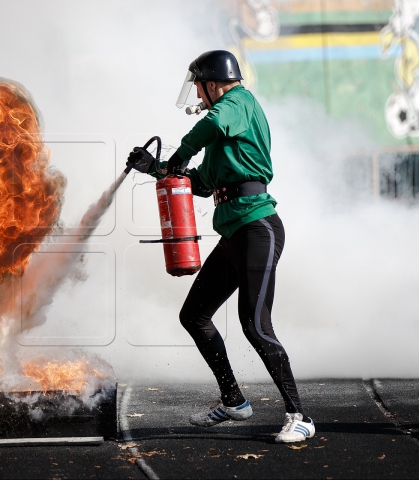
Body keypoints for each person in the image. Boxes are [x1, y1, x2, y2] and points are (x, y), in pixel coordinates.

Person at [127, 50, 314, 443]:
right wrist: (156, 167)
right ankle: (233, 400)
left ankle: (300, 416)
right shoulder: (222, 136)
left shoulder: (237, 104)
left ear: (213, 84)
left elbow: (207, 127)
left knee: (255, 325)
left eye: (199, 86)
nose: (198, 94)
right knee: (193, 315)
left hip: (258, 228)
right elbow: (200, 183)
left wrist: (178, 153)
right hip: (235, 234)